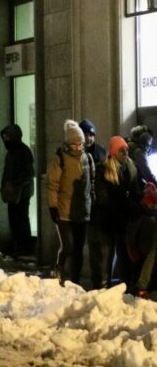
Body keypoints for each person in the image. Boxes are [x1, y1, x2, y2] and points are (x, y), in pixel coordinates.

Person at [46, 120, 94, 286]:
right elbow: (52, 185)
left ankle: (75, 280)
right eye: (74, 144)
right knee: (68, 246)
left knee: (79, 249)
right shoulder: (59, 158)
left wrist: (91, 202)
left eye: (80, 143)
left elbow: (91, 183)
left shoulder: (87, 158)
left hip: (82, 211)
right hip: (64, 211)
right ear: (68, 143)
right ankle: (58, 270)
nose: (78, 147)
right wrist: (53, 207)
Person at [95, 136, 141, 293]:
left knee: (124, 255)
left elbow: (136, 192)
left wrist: (134, 205)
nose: (126, 153)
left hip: (123, 219)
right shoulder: (103, 168)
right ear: (114, 152)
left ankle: (127, 287)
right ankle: (103, 287)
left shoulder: (131, 167)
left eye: (127, 150)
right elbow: (102, 196)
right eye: (122, 150)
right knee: (106, 255)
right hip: (108, 219)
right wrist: (122, 203)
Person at [80, 120, 109, 289]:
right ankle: (95, 279)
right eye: (86, 134)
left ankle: (102, 279)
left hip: (99, 208)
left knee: (101, 245)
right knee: (91, 245)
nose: (89, 138)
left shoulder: (100, 152)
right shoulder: (78, 153)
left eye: (91, 135)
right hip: (85, 207)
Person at [1, 123, 35, 257]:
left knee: (20, 220)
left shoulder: (22, 151)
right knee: (15, 220)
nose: (5, 140)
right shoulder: (13, 152)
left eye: (7, 137)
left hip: (21, 192)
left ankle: (24, 247)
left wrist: (16, 187)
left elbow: (27, 173)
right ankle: (19, 247)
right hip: (14, 192)